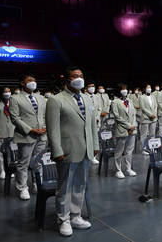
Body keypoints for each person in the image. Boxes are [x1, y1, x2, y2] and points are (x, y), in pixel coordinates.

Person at [46, 66, 98, 237]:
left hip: (86, 149)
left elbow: (91, 126)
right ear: (67, 80)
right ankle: (63, 219)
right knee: (65, 187)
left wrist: (95, 145)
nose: (79, 78)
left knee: (80, 184)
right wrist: (56, 150)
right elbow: (53, 129)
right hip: (67, 150)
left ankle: (76, 215)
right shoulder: (56, 100)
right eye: (75, 76)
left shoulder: (87, 99)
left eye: (81, 75)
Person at [10, 73, 47, 200]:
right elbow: (15, 118)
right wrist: (30, 129)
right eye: (30, 80)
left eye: (34, 80)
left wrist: (45, 127)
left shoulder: (40, 98)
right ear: (22, 83)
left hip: (41, 135)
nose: (33, 82)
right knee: (23, 163)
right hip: (25, 135)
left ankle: (37, 184)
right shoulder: (15, 98)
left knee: (39, 162)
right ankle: (23, 187)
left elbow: (44, 115)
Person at [111, 84, 137, 179]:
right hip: (122, 129)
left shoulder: (129, 101)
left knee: (129, 151)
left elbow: (133, 114)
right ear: (119, 90)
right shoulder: (115, 102)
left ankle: (128, 168)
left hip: (132, 129)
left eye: (126, 89)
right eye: (123, 89)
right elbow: (117, 117)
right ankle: (117, 170)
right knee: (119, 151)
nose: (125, 90)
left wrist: (133, 126)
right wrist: (129, 126)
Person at [0, 86, 16, 180]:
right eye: (5, 91)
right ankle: (1, 171)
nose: (7, 93)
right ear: (1, 93)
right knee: (0, 153)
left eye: (9, 91)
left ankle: (9, 170)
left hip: (12, 131)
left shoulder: (13, 103)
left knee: (11, 154)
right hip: (1, 132)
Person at [139, 84, 158, 154]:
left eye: (150, 87)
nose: (149, 88)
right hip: (146, 118)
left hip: (153, 118)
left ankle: (152, 147)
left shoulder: (153, 96)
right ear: (144, 89)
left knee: (152, 134)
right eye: (147, 87)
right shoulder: (141, 97)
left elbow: (155, 106)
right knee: (144, 134)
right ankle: (144, 149)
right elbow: (143, 108)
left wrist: (154, 114)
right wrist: (150, 114)